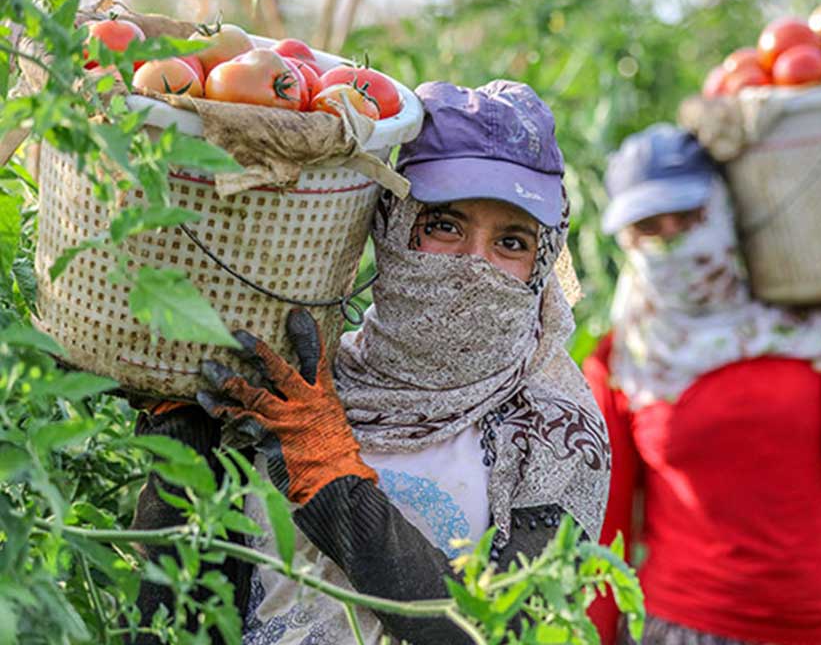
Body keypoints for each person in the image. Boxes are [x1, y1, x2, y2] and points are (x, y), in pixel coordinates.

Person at [128, 80, 611, 645]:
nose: (473, 265)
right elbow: (184, 600)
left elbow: (500, 631)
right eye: (444, 227)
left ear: (541, 262)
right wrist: (181, 437)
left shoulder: (555, 432)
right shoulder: (312, 379)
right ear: (392, 227)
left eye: (511, 243)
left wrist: (332, 481)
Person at [586, 124, 821, 645]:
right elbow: (607, 537)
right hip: (690, 627)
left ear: (724, 208)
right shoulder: (627, 363)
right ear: (626, 239)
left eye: (689, 217)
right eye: (650, 227)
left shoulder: (808, 323)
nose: (674, 239)